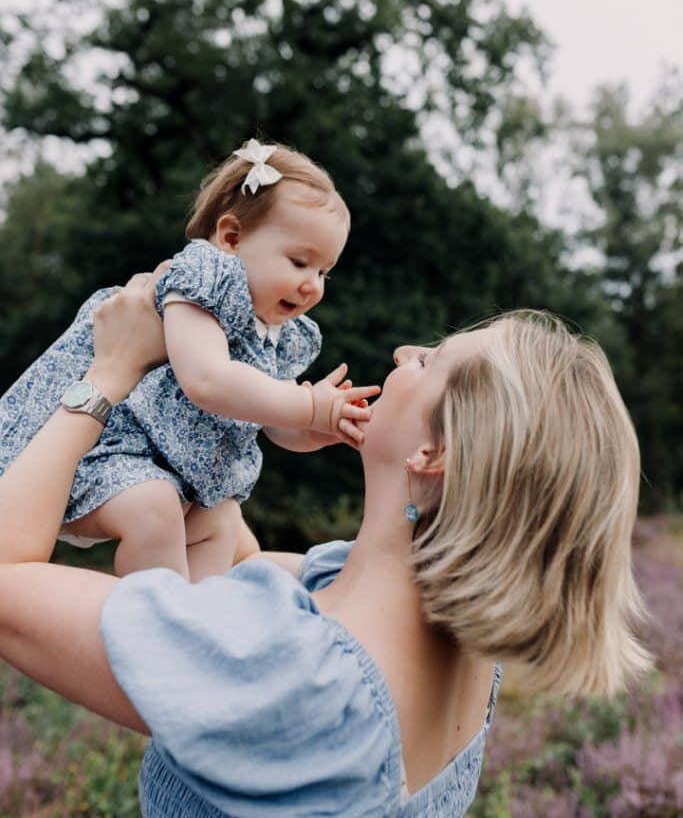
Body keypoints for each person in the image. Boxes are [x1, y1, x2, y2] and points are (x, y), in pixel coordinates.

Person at [0, 271, 651, 817]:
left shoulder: (292, 671)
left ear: (435, 452)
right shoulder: (457, 647)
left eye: (428, 362)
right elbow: (235, 559)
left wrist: (106, 375)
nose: (402, 353)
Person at [0, 140, 377, 580]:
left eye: (323, 272)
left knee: (219, 518)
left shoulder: (278, 335)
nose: (312, 285)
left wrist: (310, 428)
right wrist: (309, 405)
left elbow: (267, 419)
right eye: (299, 262)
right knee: (154, 507)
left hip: (170, 471)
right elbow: (207, 380)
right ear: (231, 238)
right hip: (106, 446)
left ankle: (200, 621)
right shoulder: (202, 280)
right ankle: (154, 626)